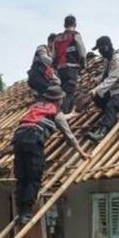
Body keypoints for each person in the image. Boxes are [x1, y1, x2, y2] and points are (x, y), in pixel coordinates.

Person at [12, 87, 89, 224]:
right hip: (33, 139)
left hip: (18, 138)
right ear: (59, 100)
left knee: (22, 178)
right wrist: (82, 153)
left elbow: (54, 118)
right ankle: (26, 213)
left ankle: (20, 212)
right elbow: (69, 136)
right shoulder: (55, 112)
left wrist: (71, 115)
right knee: (33, 178)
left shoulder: (37, 107)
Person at [85, 36, 119, 142]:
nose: (100, 52)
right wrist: (95, 80)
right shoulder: (107, 59)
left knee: (111, 105)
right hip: (114, 91)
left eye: (101, 48)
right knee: (97, 98)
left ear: (107, 47)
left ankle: (102, 132)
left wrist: (96, 89)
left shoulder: (118, 59)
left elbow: (111, 79)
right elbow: (104, 74)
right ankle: (110, 117)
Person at [51, 15, 88, 114]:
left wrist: (55, 68)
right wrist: (84, 65)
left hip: (60, 70)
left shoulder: (57, 38)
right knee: (69, 93)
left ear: (64, 25)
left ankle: (60, 111)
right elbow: (82, 53)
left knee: (62, 92)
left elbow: (53, 56)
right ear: (75, 24)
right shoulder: (75, 35)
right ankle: (65, 113)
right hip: (71, 69)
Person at [27, 34, 62, 100]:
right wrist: (55, 63)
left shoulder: (52, 53)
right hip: (36, 76)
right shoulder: (42, 48)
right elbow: (43, 57)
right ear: (50, 42)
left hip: (44, 78)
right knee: (50, 92)